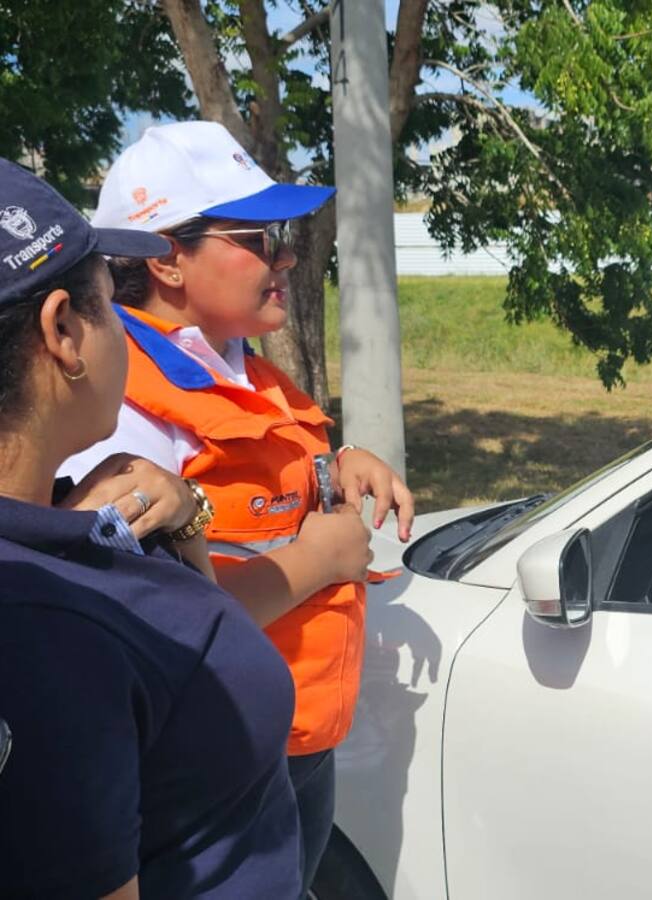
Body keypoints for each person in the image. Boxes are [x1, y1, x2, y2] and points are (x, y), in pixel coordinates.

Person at [61, 120, 415, 895]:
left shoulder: (234, 364)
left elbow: (254, 494)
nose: (286, 255)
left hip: (290, 737)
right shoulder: (120, 416)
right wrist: (319, 561)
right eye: (258, 236)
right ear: (167, 258)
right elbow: (148, 621)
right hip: (219, 754)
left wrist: (335, 466)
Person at [0, 159, 301, 897]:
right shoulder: (40, 624)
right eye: (110, 305)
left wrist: (187, 518)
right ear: (64, 331)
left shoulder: (63, 516)